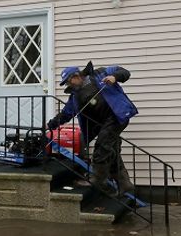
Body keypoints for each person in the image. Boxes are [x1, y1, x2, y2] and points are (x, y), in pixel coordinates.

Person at [47, 62, 138, 195]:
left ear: (76, 76)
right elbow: (66, 114)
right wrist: (50, 125)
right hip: (102, 125)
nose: (68, 85)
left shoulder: (101, 73)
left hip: (116, 116)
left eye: (68, 81)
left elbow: (124, 72)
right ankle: (125, 184)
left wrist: (115, 77)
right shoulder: (75, 96)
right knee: (111, 151)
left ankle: (98, 179)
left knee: (102, 146)